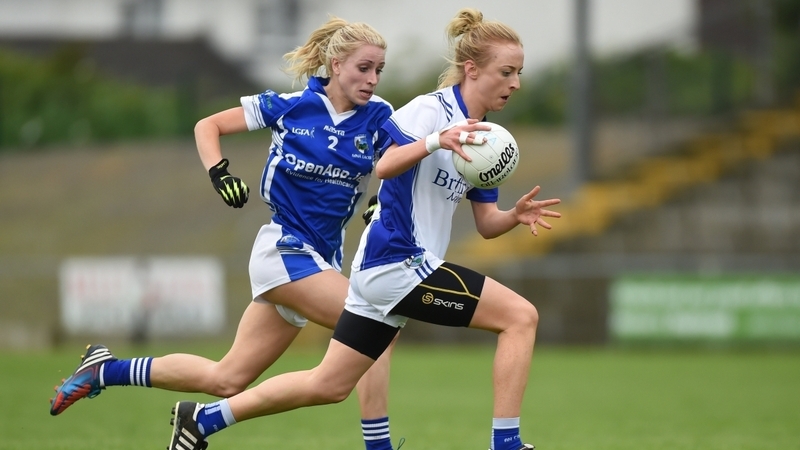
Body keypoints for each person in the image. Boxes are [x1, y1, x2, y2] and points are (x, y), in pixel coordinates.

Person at [164, 8, 561, 450]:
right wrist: (435, 140)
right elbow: (386, 165)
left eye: (519, 73)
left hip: (389, 272)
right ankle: (505, 444)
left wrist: (514, 215)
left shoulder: (490, 140)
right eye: (507, 72)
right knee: (520, 317)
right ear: (472, 69)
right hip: (399, 260)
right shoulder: (430, 110)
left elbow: (486, 225)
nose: (516, 83)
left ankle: (202, 421)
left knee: (328, 385)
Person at [49, 15, 400, 450]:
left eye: (379, 70)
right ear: (334, 63)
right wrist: (219, 172)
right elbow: (207, 126)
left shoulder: (379, 116)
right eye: (363, 68)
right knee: (375, 321)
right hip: (284, 251)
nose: (372, 79)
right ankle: (378, 447)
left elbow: (399, 164)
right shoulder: (290, 106)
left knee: (226, 377)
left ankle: (106, 371)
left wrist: (383, 202)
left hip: (319, 261)